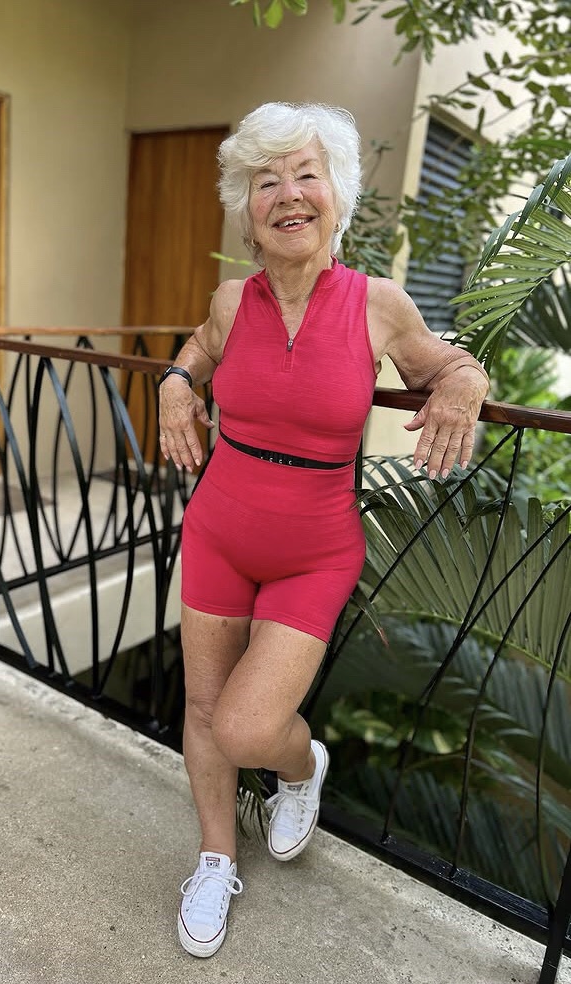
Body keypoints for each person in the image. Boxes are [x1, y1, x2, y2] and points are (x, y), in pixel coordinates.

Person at [157, 102, 490, 959]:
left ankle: (302, 770)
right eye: (266, 181)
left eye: (306, 175)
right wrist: (175, 385)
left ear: (336, 194)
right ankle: (214, 858)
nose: (289, 195)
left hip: (315, 550)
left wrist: (464, 386)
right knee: (203, 709)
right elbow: (197, 346)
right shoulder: (231, 301)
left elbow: (449, 362)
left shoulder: (378, 304)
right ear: (247, 211)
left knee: (246, 726)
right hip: (219, 529)